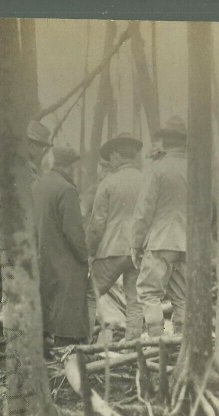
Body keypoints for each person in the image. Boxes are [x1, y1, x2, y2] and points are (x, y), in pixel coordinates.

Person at [0, 120, 52, 366]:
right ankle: (11, 353)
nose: (41, 152)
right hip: (12, 244)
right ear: (29, 145)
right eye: (38, 146)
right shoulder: (29, 173)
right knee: (10, 298)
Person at [132, 116, 188, 337]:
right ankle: (182, 344)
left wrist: (136, 244)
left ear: (165, 141)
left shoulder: (158, 170)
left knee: (149, 293)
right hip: (188, 243)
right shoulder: (197, 168)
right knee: (182, 297)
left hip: (161, 241)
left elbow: (143, 212)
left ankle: (156, 343)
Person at [86, 132, 145, 340]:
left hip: (111, 249)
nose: (110, 160)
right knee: (134, 300)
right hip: (138, 250)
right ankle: (132, 343)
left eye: (111, 156)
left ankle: (84, 342)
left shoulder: (108, 183)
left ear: (117, 156)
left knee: (89, 294)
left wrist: (90, 252)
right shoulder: (146, 180)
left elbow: (97, 224)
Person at [32, 146, 91, 351]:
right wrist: (85, 258)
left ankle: (45, 344)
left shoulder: (38, 186)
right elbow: (73, 232)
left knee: (46, 301)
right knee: (68, 304)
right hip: (65, 259)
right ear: (69, 166)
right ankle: (66, 346)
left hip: (42, 254)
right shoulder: (67, 190)